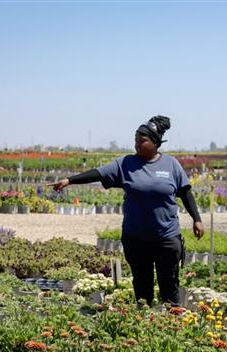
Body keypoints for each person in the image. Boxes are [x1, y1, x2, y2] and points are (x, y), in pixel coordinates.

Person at [50, 115, 204, 307]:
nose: (137, 144)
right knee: (142, 287)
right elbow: (99, 173)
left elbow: (185, 192)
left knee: (169, 286)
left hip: (167, 237)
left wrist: (197, 219)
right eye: (135, 140)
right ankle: (143, 320)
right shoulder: (126, 164)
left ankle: (174, 321)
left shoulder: (171, 164)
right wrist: (70, 180)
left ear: (155, 142)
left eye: (142, 140)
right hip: (136, 238)